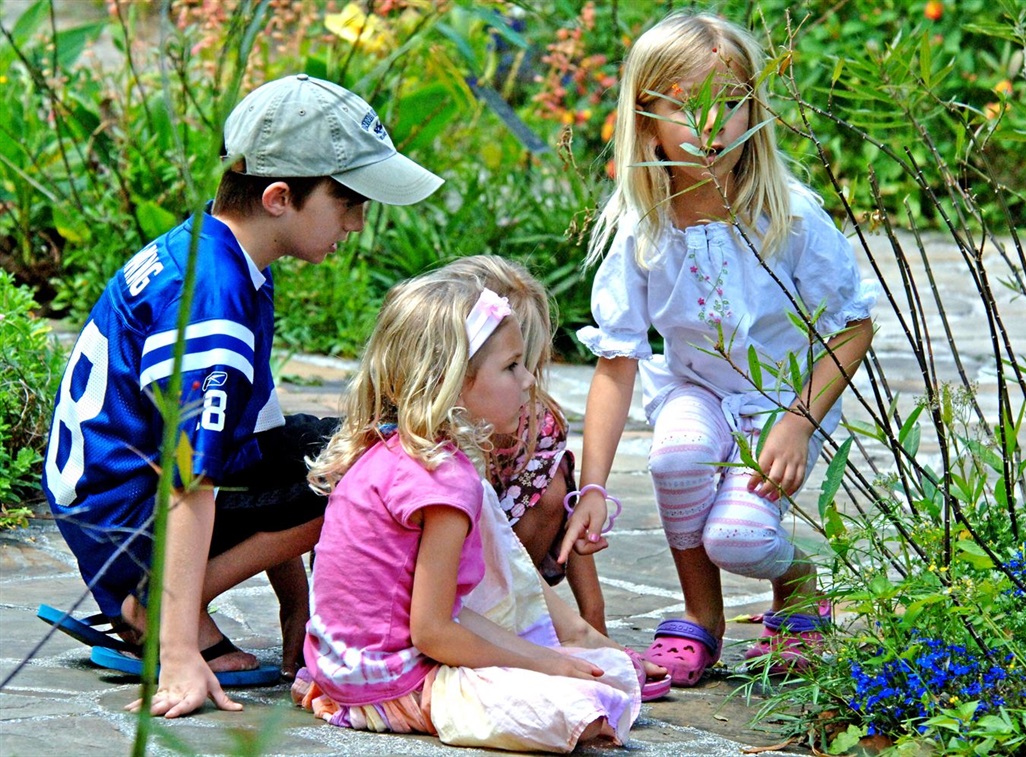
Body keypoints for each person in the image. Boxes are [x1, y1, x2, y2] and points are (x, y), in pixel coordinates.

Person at [40, 73, 443, 718]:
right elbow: (189, 481)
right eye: (348, 202)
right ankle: (155, 612)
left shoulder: (231, 258)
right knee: (367, 476)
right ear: (281, 196)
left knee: (352, 450)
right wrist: (177, 657)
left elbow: (258, 437)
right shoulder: (213, 298)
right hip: (131, 521)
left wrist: (295, 599)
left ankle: (170, 604)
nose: (360, 222)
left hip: (121, 502)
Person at [561, 12, 877, 686]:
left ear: (755, 114)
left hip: (776, 398)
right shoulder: (641, 226)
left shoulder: (787, 216)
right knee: (675, 460)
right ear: (645, 119)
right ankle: (704, 617)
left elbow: (852, 327)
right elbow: (617, 363)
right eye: (686, 107)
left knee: (737, 535)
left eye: (730, 106)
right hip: (692, 390)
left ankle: (797, 583)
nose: (711, 128)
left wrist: (799, 419)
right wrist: (591, 485)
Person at [295, 268, 639, 752]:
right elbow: (433, 630)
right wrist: (546, 664)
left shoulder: (394, 449)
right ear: (453, 382)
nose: (527, 383)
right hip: (392, 680)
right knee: (585, 708)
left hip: (344, 666)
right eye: (513, 367)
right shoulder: (446, 481)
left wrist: (539, 656)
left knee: (608, 675)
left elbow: (442, 612)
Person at [443, 254, 607, 634]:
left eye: (530, 364)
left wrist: (593, 622)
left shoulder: (537, 423)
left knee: (553, 487)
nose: (531, 380)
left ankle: (515, 618)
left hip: (503, 566)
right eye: (513, 366)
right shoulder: (421, 439)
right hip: (428, 587)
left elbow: (569, 510)